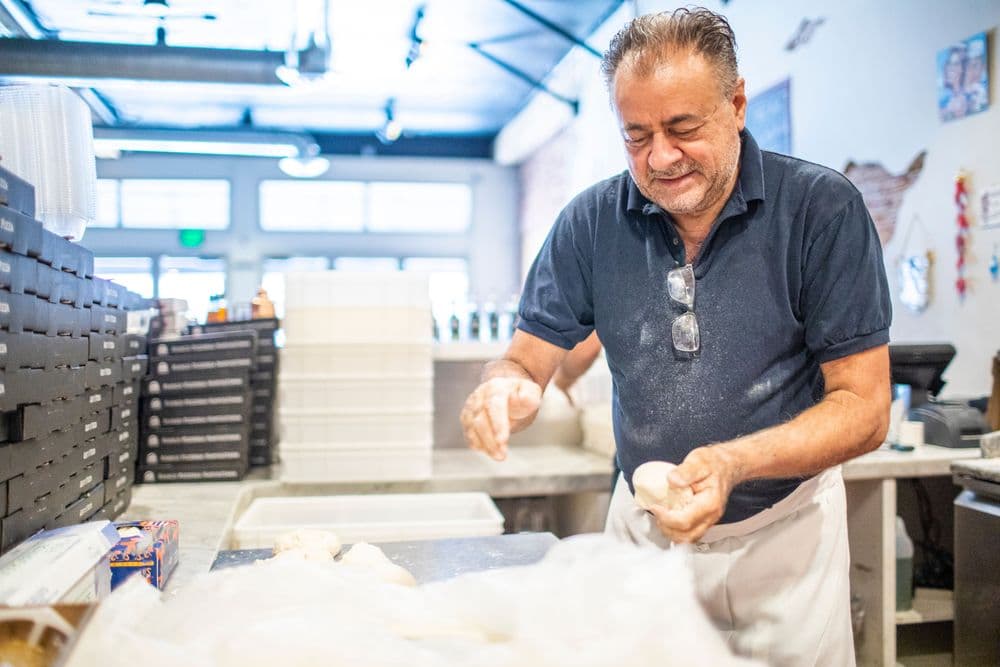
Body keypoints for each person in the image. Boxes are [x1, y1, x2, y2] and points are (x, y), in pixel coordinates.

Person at [459, 7, 890, 665]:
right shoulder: (592, 223)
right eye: (636, 135)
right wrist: (504, 387)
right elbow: (526, 357)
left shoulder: (821, 212)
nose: (660, 157)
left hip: (784, 542)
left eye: (683, 128)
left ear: (737, 103)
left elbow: (865, 408)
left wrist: (732, 462)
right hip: (643, 543)